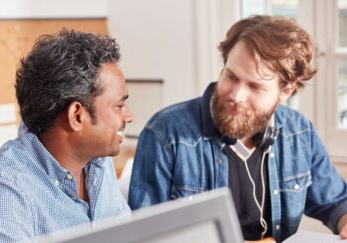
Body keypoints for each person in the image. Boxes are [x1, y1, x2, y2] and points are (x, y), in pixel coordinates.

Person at [128, 15, 347, 242]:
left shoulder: (299, 131)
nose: (236, 95)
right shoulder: (165, 133)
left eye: (254, 86)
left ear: (286, 91)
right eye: (231, 76)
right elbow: (145, 237)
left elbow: (336, 201)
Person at [0, 29, 133, 242]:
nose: (129, 116)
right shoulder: (5, 189)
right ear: (77, 116)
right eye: (119, 106)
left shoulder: (98, 160)